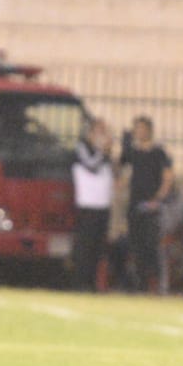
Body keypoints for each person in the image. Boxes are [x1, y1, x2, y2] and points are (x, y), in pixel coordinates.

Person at [119, 115, 173, 293]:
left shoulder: (159, 152)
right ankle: (140, 284)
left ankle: (157, 284)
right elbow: (120, 168)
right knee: (136, 245)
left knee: (152, 245)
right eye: (137, 129)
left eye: (141, 128)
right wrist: (124, 146)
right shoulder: (133, 153)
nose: (139, 132)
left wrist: (158, 199)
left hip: (151, 206)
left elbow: (168, 177)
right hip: (135, 205)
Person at [72, 117, 114, 292]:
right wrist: (103, 151)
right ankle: (81, 282)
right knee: (85, 246)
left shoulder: (103, 153)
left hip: (103, 206)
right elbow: (91, 166)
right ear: (90, 133)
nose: (103, 135)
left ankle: (93, 283)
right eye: (99, 131)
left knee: (98, 247)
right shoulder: (82, 148)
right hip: (88, 205)